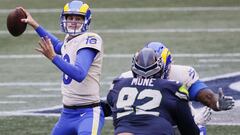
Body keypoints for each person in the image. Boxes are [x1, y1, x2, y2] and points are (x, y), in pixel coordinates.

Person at [20, 1, 104, 135]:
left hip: (88, 113)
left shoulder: (90, 39)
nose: (73, 21)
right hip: (67, 114)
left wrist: (53, 58)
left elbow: (79, 74)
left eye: (78, 18)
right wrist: (35, 25)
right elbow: (59, 46)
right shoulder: (69, 39)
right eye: (70, 18)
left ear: (86, 21)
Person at [118, 41, 235, 135]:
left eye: (153, 69)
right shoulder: (125, 78)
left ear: (166, 66)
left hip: (177, 124)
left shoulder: (181, 75)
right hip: (144, 125)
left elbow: (205, 95)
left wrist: (217, 103)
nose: (146, 75)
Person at [107, 47, 200, 135]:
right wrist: (197, 122)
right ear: (161, 68)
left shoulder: (118, 84)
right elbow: (189, 131)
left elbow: (108, 107)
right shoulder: (173, 87)